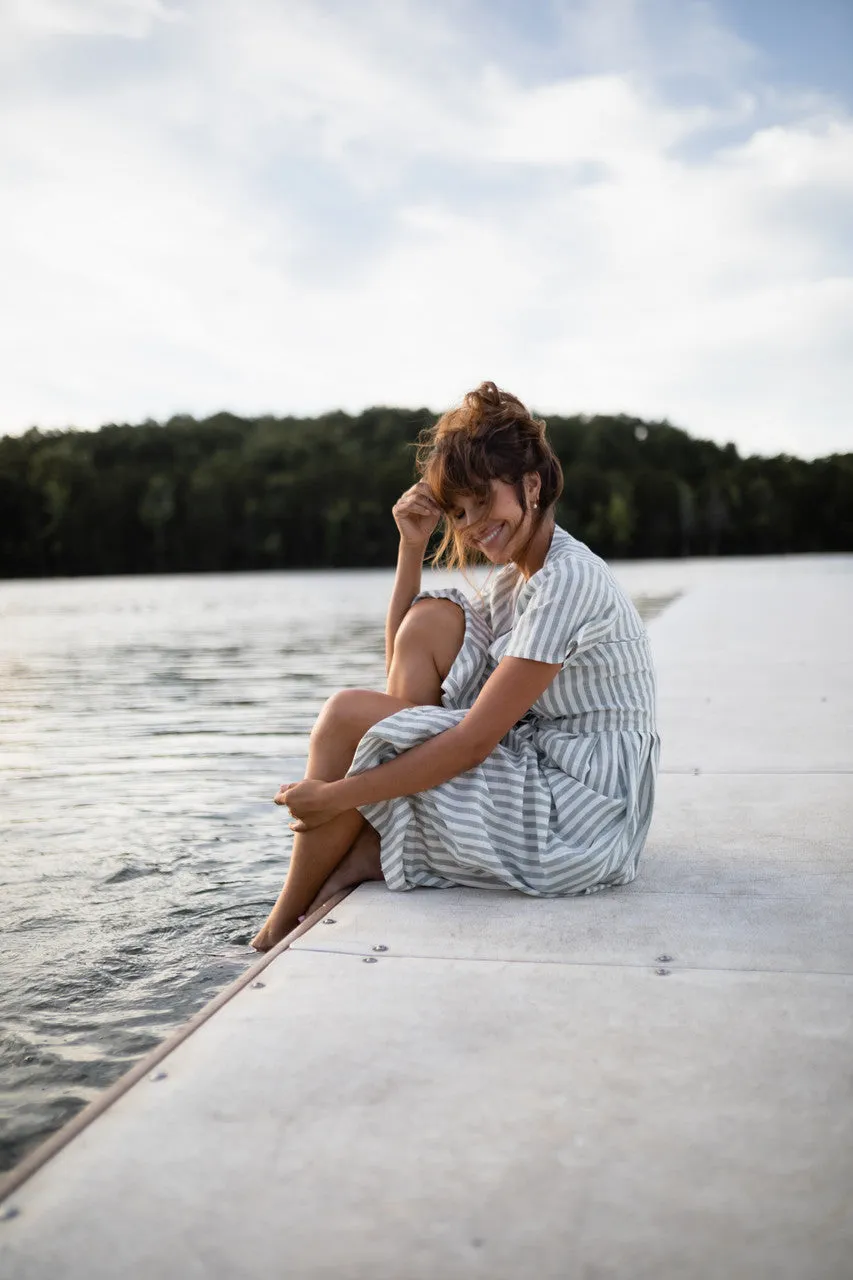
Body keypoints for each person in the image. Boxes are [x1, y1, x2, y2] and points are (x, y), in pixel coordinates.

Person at [250, 382, 659, 953]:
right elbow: (399, 673)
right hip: (552, 778)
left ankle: (276, 928)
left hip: (583, 822)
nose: (470, 526)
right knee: (429, 618)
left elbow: (471, 743)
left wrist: (341, 794)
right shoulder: (518, 579)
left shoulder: (567, 579)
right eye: (459, 512)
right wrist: (411, 548)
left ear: (531, 484)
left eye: (481, 502)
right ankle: (357, 857)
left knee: (347, 716)